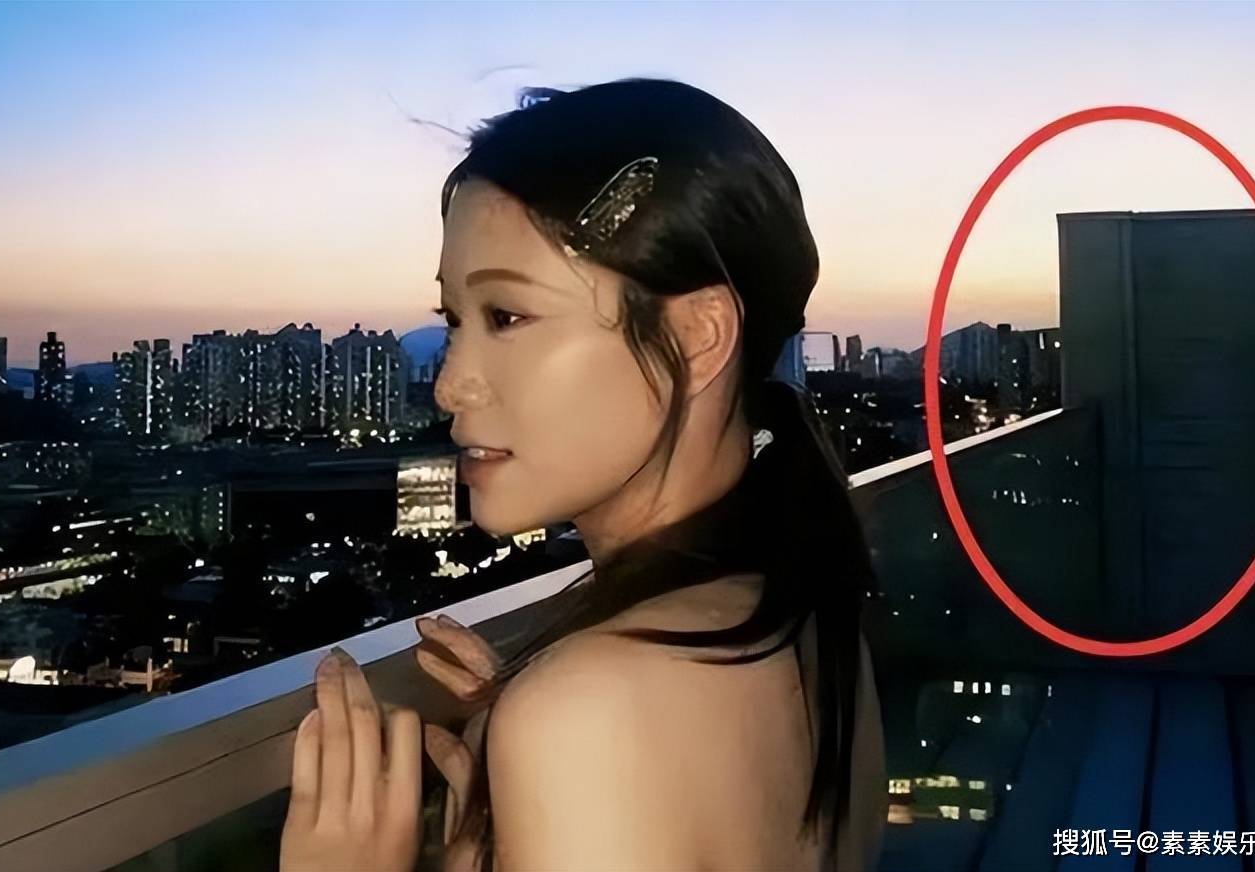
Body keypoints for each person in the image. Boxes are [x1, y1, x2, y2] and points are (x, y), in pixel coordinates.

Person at [282, 77, 886, 872]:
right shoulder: (808, 622)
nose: (450, 386)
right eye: (454, 322)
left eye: (507, 316)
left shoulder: (586, 712)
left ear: (699, 337)